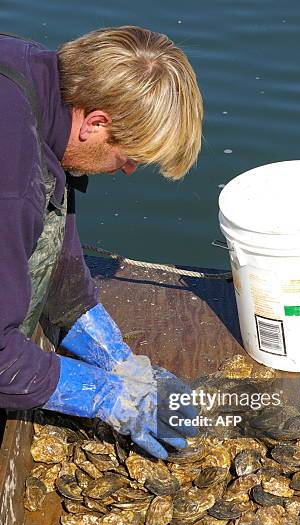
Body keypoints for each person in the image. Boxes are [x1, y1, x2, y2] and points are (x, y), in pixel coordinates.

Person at [0, 26, 203, 458]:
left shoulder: (35, 76)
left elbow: (52, 251)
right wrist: (107, 396)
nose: (128, 170)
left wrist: (118, 360)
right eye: (128, 156)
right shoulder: (11, 177)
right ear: (96, 123)